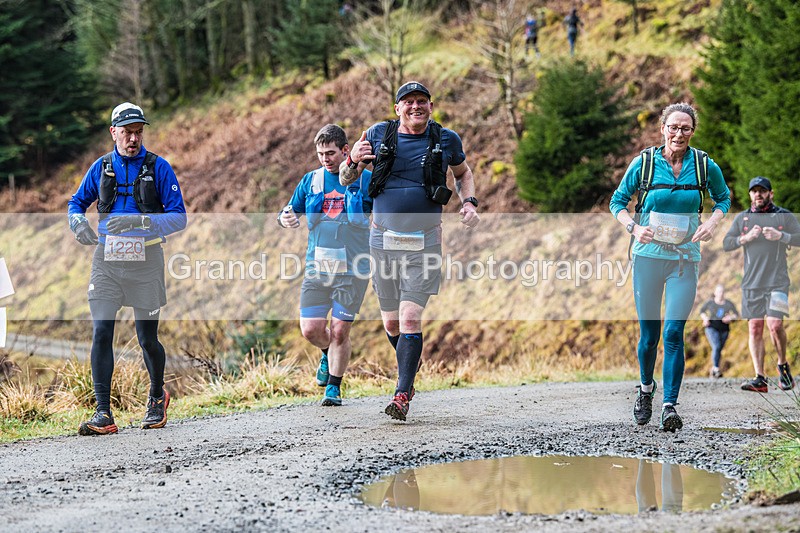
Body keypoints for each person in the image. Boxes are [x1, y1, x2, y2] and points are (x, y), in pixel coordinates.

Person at [340, 81, 480, 421]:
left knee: (409, 317)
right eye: (408, 102)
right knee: (391, 323)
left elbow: (463, 174)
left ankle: (402, 394)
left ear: (431, 106)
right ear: (397, 108)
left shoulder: (446, 139)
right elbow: (345, 179)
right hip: (382, 241)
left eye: (421, 101)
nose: (415, 107)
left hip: (425, 242)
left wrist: (470, 203)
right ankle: (410, 372)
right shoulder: (377, 134)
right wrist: (352, 161)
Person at [610, 102, 730, 432]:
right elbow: (617, 202)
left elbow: (723, 198)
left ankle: (669, 405)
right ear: (662, 129)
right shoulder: (645, 163)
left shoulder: (704, 166)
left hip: (684, 259)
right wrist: (634, 228)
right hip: (648, 257)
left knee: (673, 332)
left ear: (693, 131)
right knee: (649, 337)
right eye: (673, 127)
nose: (679, 133)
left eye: (686, 128)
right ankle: (646, 390)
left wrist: (713, 223)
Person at [68, 102, 187, 435]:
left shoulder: (159, 167)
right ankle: (103, 413)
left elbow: (179, 217)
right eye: (127, 132)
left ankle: (156, 396)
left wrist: (140, 220)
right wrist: (78, 224)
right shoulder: (101, 167)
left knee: (147, 339)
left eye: (139, 132)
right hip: (106, 262)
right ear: (113, 133)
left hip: (146, 263)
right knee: (102, 331)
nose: (133, 138)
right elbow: (76, 203)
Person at [278, 124, 372, 406]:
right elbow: (288, 210)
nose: (325, 159)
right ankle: (325, 353)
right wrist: (286, 218)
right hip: (317, 269)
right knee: (310, 330)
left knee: (340, 330)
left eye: (330, 153)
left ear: (346, 151)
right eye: (320, 154)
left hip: (353, 270)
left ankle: (333, 387)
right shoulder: (311, 181)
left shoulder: (365, 181)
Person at [723, 177, 800, 393]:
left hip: (778, 282)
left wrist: (782, 236)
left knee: (775, 325)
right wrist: (745, 238)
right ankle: (760, 378)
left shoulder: (783, 216)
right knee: (754, 327)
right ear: (749, 195)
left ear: (770, 194)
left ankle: (783, 365)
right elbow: (726, 243)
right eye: (754, 191)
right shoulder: (743, 219)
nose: (758, 195)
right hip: (751, 285)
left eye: (762, 191)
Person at [699, 284, 739, 378]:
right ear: (715, 293)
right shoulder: (710, 303)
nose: (721, 294)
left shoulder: (728, 303)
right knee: (716, 346)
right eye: (719, 291)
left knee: (719, 349)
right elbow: (702, 311)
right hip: (711, 327)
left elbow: (736, 314)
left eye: (722, 292)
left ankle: (713, 369)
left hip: (724, 329)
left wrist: (731, 317)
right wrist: (705, 318)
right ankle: (716, 368)